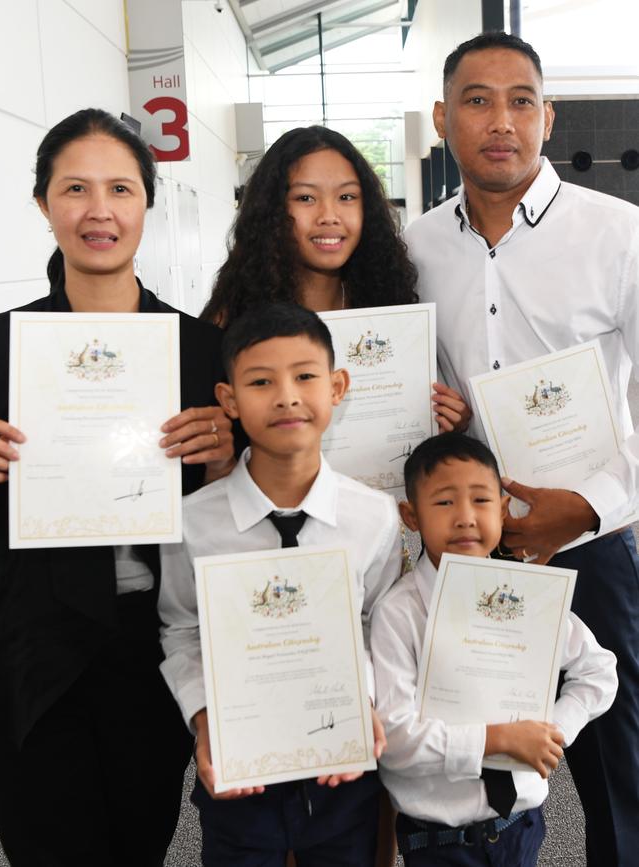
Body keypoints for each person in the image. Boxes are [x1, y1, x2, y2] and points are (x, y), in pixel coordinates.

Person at [403, 31, 639, 866]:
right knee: (468, 738)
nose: (500, 120)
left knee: (619, 754)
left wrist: (591, 507)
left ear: (548, 116)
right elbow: (420, 383)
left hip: (593, 537)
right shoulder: (418, 248)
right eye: (476, 100)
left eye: (521, 100)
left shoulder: (619, 234)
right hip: (467, 539)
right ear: (443, 118)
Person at [0, 108, 234, 867]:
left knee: (137, 845)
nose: (100, 210)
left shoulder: (204, 349)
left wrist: (229, 459)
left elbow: (253, 510)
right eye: (75, 189)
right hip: (30, 650)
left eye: (121, 188)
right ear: (42, 204)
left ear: (146, 205)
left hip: (153, 647)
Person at [159, 302, 403, 865]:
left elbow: (378, 625)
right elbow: (181, 629)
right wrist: (205, 722)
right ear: (229, 400)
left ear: (337, 387)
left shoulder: (373, 516)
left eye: (306, 376)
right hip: (240, 772)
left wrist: (359, 699)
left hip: (342, 772)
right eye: (261, 382)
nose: (287, 396)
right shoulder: (194, 522)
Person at [371, 432, 618, 866]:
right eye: (444, 503)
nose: (465, 518)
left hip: (520, 826)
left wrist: (553, 731)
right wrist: (497, 739)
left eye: (482, 501)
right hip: (439, 842)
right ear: (411, 516)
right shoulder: (399, 613)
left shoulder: (527, 598)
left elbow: (598, 670)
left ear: (503, 511)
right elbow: (395, 739)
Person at [201, 124, 469, 433]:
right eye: (305, 198)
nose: (329, 215)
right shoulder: (232, 319)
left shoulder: (389, 307)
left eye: (346, 196)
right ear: (272, 210)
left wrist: (448, 422)